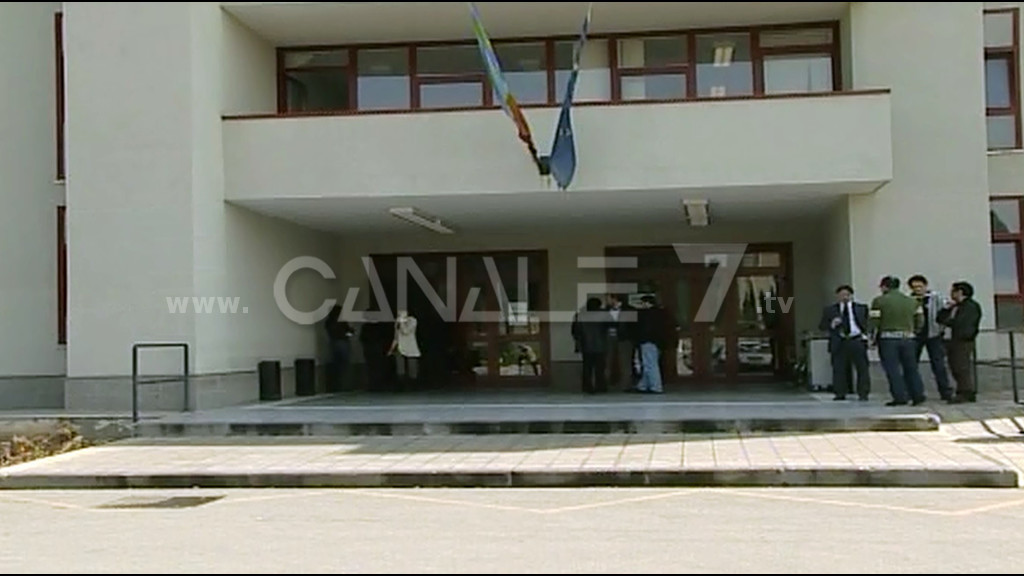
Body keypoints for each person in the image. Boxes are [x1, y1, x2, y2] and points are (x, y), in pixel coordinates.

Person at [870, 276, 926, 406]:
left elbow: (874, 321)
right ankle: (918, 395)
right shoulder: (913, 301)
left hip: (888, 339)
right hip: (908, 338)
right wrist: (914, 331)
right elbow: (920, 320)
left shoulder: (879, 301)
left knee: (893, 369)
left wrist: (872, 338)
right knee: (911, 368)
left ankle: (900, 396)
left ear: (885, 287)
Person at [818, 285, 871, 401]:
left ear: (851, 296)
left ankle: (863, 392)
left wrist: (867, 336)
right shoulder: (830, 310)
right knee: (839, 368)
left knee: (862, 368)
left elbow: (868, 323)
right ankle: (840, 392)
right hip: (840, 341)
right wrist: (832, 324)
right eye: (842, 295)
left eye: (847, 295)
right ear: (837, 296)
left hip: (856, 339)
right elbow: (822, 326)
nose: (845, 297)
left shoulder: (861, 308)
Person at [908, 275, 954, 402]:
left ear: (925, 286)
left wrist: (943, 327)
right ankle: (914, 392)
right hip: (915, 336)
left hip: (934, 335)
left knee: (939, 365)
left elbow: (946, 308)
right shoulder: (909, 300)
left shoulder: (935, 298)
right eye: (915, 287)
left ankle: (945, 391)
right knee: (911, 365)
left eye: (920, 286)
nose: (918, 289)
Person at [937, 281, 983, 404]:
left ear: (960, 292)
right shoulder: (954, 306)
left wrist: (949, 321)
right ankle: (963, 390)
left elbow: (961, 323)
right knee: (954, 366)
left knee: (961, 366)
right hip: (950, 339)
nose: (951, 294)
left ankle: (966, 392)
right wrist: (946, 309)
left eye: (953, 291)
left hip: (962, 340)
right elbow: (939, 318)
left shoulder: (970, 306)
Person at [571, 297, 612, 394]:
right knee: (600, 367)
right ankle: (600, 386)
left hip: (586, 345)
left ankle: (587, 386)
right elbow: (612, 325)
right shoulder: (603, 315)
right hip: (601, 345)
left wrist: (579, 341)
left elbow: (575, 331)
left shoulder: (580, 315)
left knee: (587, 367)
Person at [631, 295, 666, 394]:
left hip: (647, 340)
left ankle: (656, 386)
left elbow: (645, 329)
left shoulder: (647, 315)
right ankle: (643, 385)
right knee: (649, 363)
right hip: (656, 341)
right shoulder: (659, 313)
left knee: (650, 364)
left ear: (647, 303)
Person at [605, 293, 636, 391]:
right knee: (607, 360)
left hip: (624, 338)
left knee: (625, 361)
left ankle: (626, 385)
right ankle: (605, 384)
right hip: (608, 338)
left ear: (614, 298)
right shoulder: (605, 310)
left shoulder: (629, 310)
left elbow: (633, 325)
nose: (607, 301)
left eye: (608, 298)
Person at [324, 304, 354, 391]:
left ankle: (336, 385)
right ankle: (344, 385)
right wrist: (349, 333)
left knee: (336, 364)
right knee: (344, 365)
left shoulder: (329, 322)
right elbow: (349, 331)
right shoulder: (342, 322)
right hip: (343, 342)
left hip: (333, 343)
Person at [389, 309, 421, 386]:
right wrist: (391, 349)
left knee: (412, 368)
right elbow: (396, 337)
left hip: (410, 348)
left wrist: (402, 322)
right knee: (400, 368)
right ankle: (401, 384)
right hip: (400, 347)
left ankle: (413, 384)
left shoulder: (412, 321)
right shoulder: (397, 322)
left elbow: (406, 331)